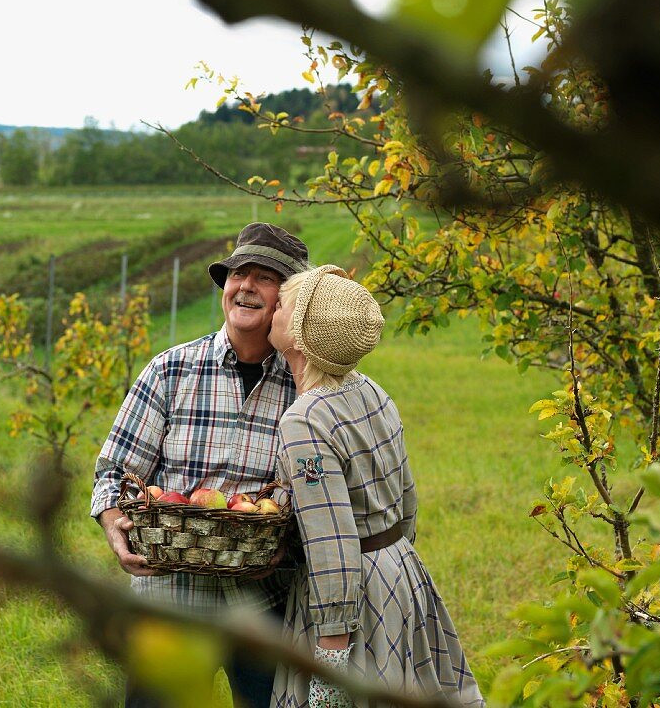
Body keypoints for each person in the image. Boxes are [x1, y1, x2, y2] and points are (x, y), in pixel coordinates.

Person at [91, 222, 312, 708]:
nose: (246, 286)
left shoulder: (305, 389)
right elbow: (114, 472)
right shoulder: (170, 370)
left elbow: (317, 499)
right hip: (170, 606)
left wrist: (285, 546)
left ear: (288, 301)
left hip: (263, 607)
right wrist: (115, 530)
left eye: (265, 277)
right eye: (238, 274)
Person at [267, 265, 485, 708]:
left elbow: (331, 546)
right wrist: (396, 570)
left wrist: (331, 661)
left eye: (284, 304)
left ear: (302, 338)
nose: (274, 307)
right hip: (400, 571)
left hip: (353, 596)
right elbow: (408, 504)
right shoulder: (371, 391)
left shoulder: (305, 420)